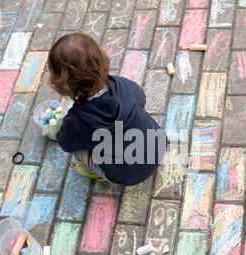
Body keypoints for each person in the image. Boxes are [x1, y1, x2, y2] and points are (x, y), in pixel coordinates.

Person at [48, 32, 166, 186]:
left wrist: (66, 125)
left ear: (63, 84)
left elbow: (65, 143)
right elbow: (142, 101)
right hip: (158, 147)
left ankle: (93, 171)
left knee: (78, 153)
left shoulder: (77, 120)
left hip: (127, 175)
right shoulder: (124, 84)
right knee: (141, 108)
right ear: (101, 59)